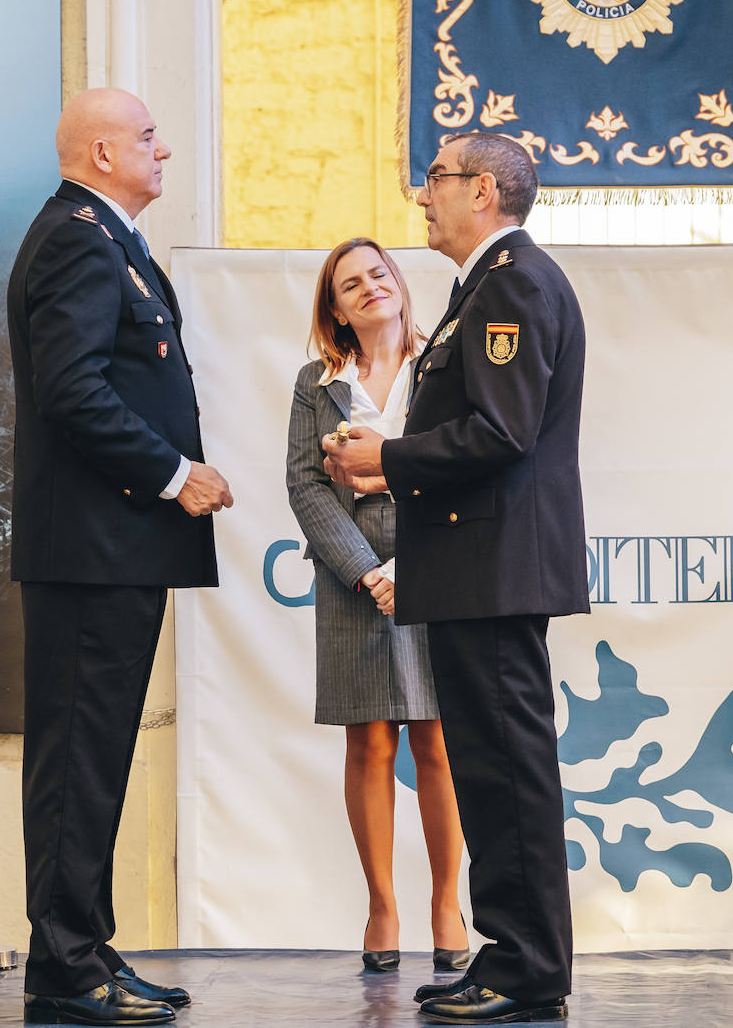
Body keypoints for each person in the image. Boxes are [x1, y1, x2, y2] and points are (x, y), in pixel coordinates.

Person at [321, 132, 587, 1024]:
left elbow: (503, 432)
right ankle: (511, 953)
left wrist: (388, 456)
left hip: (498, 567)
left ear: (481, 190)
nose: (421, 194)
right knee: (492, 767)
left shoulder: (510, 280)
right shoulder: (485, 284)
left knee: (507, 770)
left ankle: (527, 966)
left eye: (434, 179)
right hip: (482, 566)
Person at [7, 88, 233, 1027]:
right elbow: (72, 390)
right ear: (101, 153)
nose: (164, 148)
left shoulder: (105, 239)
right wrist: (175, 472)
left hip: (114, 550)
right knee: (76, 762)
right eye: (147, 136)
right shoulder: (74, 239)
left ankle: (84, 949)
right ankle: (62, 967)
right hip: (93, 551)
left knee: (94, 759)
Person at [285, 238, 471, 976]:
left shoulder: (443, 366)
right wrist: (369, 572)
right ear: (335, 307)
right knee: (370, 742)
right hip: (350, 577)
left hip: (436, 565)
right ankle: (383, 906)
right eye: (349, 284)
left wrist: (412, 565)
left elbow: (462, 465)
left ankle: (447, 903)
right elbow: (305, 486)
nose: (368, 288)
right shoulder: (316, 383)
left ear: (398, 284)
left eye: (378, 274)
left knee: (437, 739)